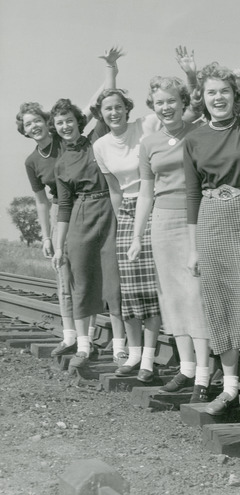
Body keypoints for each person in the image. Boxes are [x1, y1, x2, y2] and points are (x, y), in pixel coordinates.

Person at [16, 48, 122, 357]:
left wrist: (110, 71)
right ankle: (73, 337)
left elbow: (97, 103)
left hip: (94, 205)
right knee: (70, 278)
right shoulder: (33, 161)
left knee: (102, 275)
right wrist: (47, 237)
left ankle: (100, 340)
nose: (35, 126)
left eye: (38, 120)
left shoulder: (69, 137)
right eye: (28, 124)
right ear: (23, 130)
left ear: (48, 122)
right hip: (67, 212)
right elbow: (42, 202)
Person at [184, 62, 240, 416]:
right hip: (210, 220)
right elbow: (191, 196)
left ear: (236, 96)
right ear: (201, 98)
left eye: (225, 91)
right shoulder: (193, 138)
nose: (218, 98)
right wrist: (193, 249)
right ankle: (230, 386)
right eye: (211, 92)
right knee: (219, 305)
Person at [127, 76, 211, 401]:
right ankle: (187, 368)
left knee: (195, 295)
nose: (166, 107)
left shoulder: (196, 131)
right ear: (153, 105)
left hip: (194, 217)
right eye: (160, 102)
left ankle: (203, 374)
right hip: (161, 221)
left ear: (182, 102)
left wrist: (191, 76)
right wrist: (137, 234)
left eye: (172, 100)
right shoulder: (148, 143)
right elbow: (145, 193)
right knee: (172, 297)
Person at [91, 85, 162, 382]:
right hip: (128, 212)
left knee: (151, 288)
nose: (114, 112)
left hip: (156, 202)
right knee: (130, 289)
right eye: (108, 108)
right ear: (102, 114)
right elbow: (114, 189)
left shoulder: (144, 126)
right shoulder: (101, 145)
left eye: (118, 106)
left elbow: (173, 114)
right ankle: (133, 355)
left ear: (126, 108)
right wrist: (123, 222)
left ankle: (148, 358)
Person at [51, 99, 126, 371]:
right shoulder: (60, 165)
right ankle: (84, 345)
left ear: (79, 121)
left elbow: (107, 100)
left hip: (109, 210)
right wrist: (59, 246)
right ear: (55, 128)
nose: (65, 126)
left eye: (69, 120)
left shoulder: (97, 139)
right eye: (59, 123)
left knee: (114, 284)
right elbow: (63, 206)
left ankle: (120, 348)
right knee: (81, 281)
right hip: (80, 217)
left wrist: (111, 68)